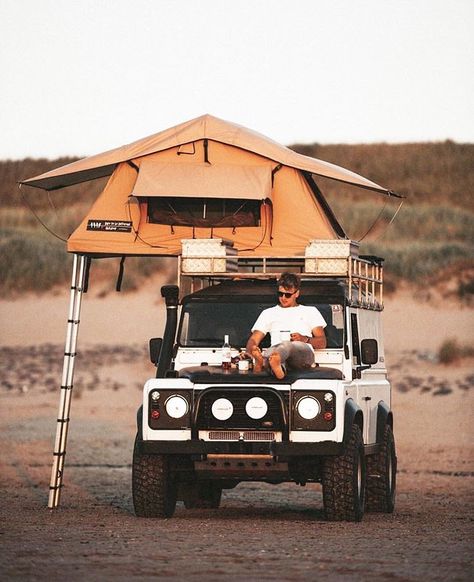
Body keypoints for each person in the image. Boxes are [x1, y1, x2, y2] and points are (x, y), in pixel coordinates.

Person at [245, 272, 327, 379]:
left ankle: (263, 363)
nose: (283, 298)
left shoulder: (310, 311)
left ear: (297, 293)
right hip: (277, 350)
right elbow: (254, 339)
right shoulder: (268, 313)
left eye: (288, 295)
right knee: (272, 352)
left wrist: (305, 339)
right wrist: (252, 349)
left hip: (302, 352)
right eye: (280, 294)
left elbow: (322, 342)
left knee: (286, 346)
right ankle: (271, 365)